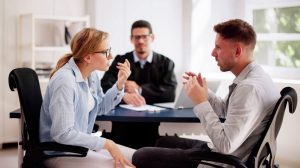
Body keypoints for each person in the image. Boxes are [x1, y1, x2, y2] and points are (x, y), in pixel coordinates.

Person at [132, 19, 280, 168]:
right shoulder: (256, 77)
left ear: (237, 51)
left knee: (140, 156)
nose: (213, 53)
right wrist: (204, 91)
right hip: (222, 152)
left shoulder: (249, 88)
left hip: (221, 161)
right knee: (161, 142)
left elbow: (225, 145)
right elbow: (225, 110)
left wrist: (200, 102)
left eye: (218, 47)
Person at [39, 28, 136, 168]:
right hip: (59, 152)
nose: (111, 56)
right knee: (122, 166)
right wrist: (107, 143)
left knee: (138, 158)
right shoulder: (65, 81)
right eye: (106, 52)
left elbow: (101, 107)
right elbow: (62, 133)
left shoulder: (91, 75)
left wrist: (120, 83)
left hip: (79, 147)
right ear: (88, 57)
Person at [101, 20, 177, 106]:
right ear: (131, 39)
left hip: (154, 116)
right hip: (123, 116)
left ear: (152, 38)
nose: (140, 41)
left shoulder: (166, 63)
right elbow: (104, 86)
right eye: (137, 37)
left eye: (145, 37)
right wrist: (122, 95)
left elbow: (169, 94)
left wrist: (140, 89)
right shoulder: (120, 60)